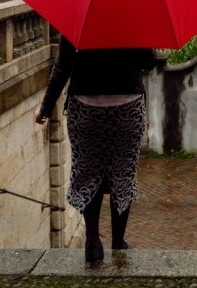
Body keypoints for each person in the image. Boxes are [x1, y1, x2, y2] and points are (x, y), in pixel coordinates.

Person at [34, 37, 158, 263]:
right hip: (127, 108)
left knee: (87, 172)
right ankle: (118, 243)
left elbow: (62, 67)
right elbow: (149, 62)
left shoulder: (79, 19)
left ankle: (92, 240)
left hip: (85, 109)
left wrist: (46, 107)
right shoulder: (132, 20)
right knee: (123, 174)